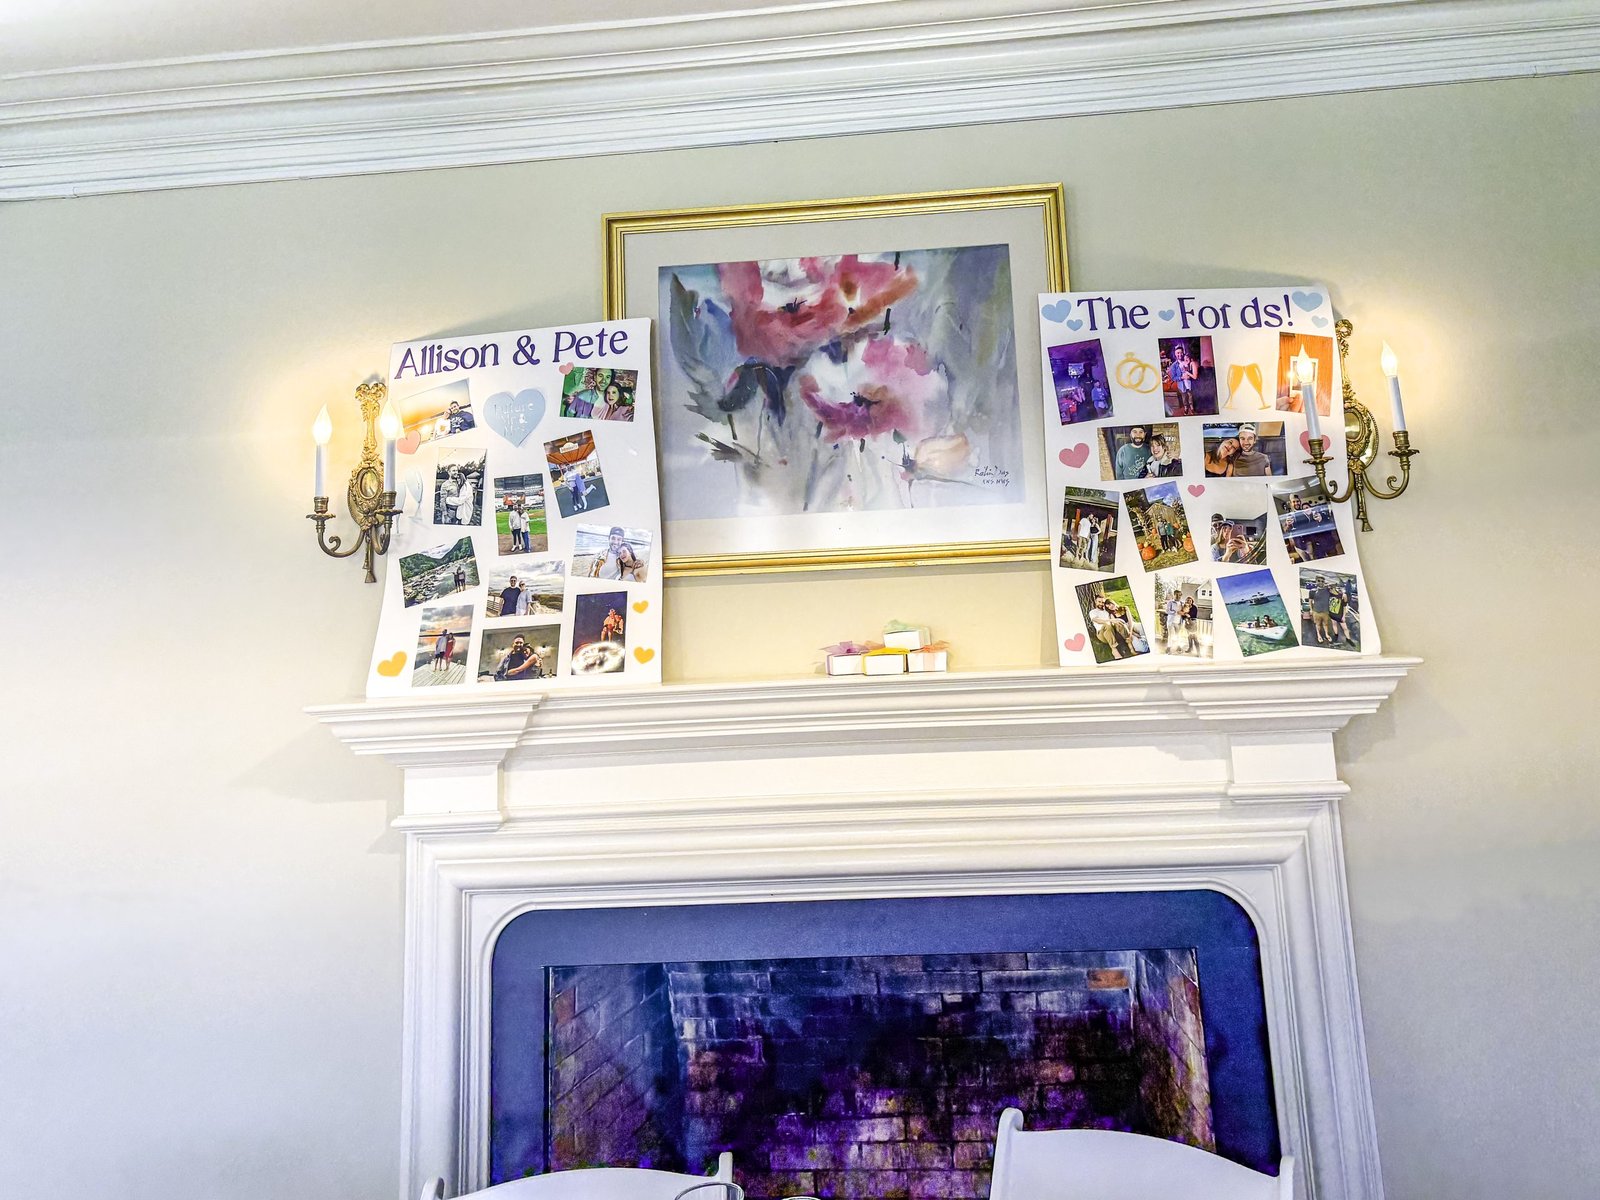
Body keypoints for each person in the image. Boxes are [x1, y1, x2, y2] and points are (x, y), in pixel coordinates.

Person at [1167, 343, 1199, 415]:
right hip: (1181, 384)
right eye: (1178, 353)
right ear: (1175, 354)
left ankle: (1192, 407)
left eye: (1181, 353)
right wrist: (1182, 377)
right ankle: (1186, 408)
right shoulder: (1174, 366)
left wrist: (1189, 375)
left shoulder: (1187, 361)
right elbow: (1173, 377)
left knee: (1190, 395)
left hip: (1189, 383)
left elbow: (1192, 371)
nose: (1180, 354)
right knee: (1184, 397)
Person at [1308, 578, 1333, 644]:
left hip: (1326, 611)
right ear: (1316, 581)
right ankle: (1319, 635)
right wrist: (1311, 609)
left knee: (1326, 624)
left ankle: (1327, 634)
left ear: (1324, 582)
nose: (1320, 582)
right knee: (1318, 624)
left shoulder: (1328, 590)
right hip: (1316, 611)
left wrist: (1329, 585)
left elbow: (1335, 587)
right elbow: (1310, 601)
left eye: (1322, 581)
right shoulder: (1312, 591)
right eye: (1319, 581)